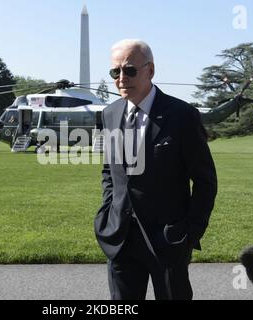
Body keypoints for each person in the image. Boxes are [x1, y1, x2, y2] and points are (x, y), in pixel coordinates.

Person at [94, 39, 218, 300]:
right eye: (115, 72)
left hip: (168, 240)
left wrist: (190, 232)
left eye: (129, 70)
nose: (121, 78)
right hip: (120, 237)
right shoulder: (109, 114)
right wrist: (107, 212)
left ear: (150, 70)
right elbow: (110, 171)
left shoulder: (182, 115)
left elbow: (205, 180)